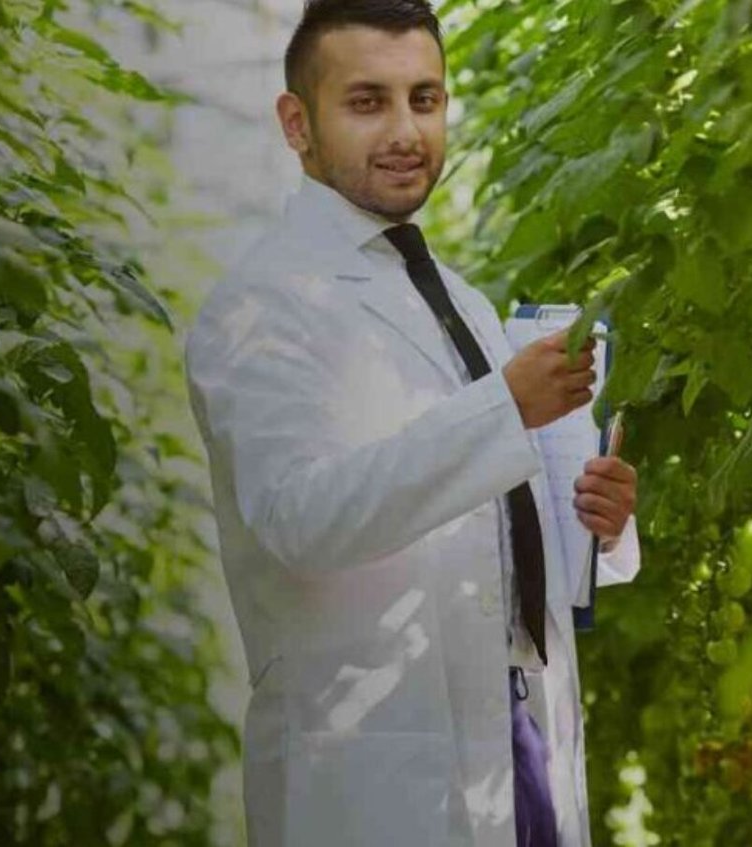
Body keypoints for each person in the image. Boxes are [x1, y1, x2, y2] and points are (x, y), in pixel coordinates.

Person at [183, 2, 640, 845]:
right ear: (298, 123)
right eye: (367, 102)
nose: (405, 131)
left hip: (519, 747)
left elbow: (486, 508)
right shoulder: (259, 309)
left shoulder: (459, 298)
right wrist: (504, 407)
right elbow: (300, 519)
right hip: (376, 775)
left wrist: (593, 524)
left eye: (424, 99)